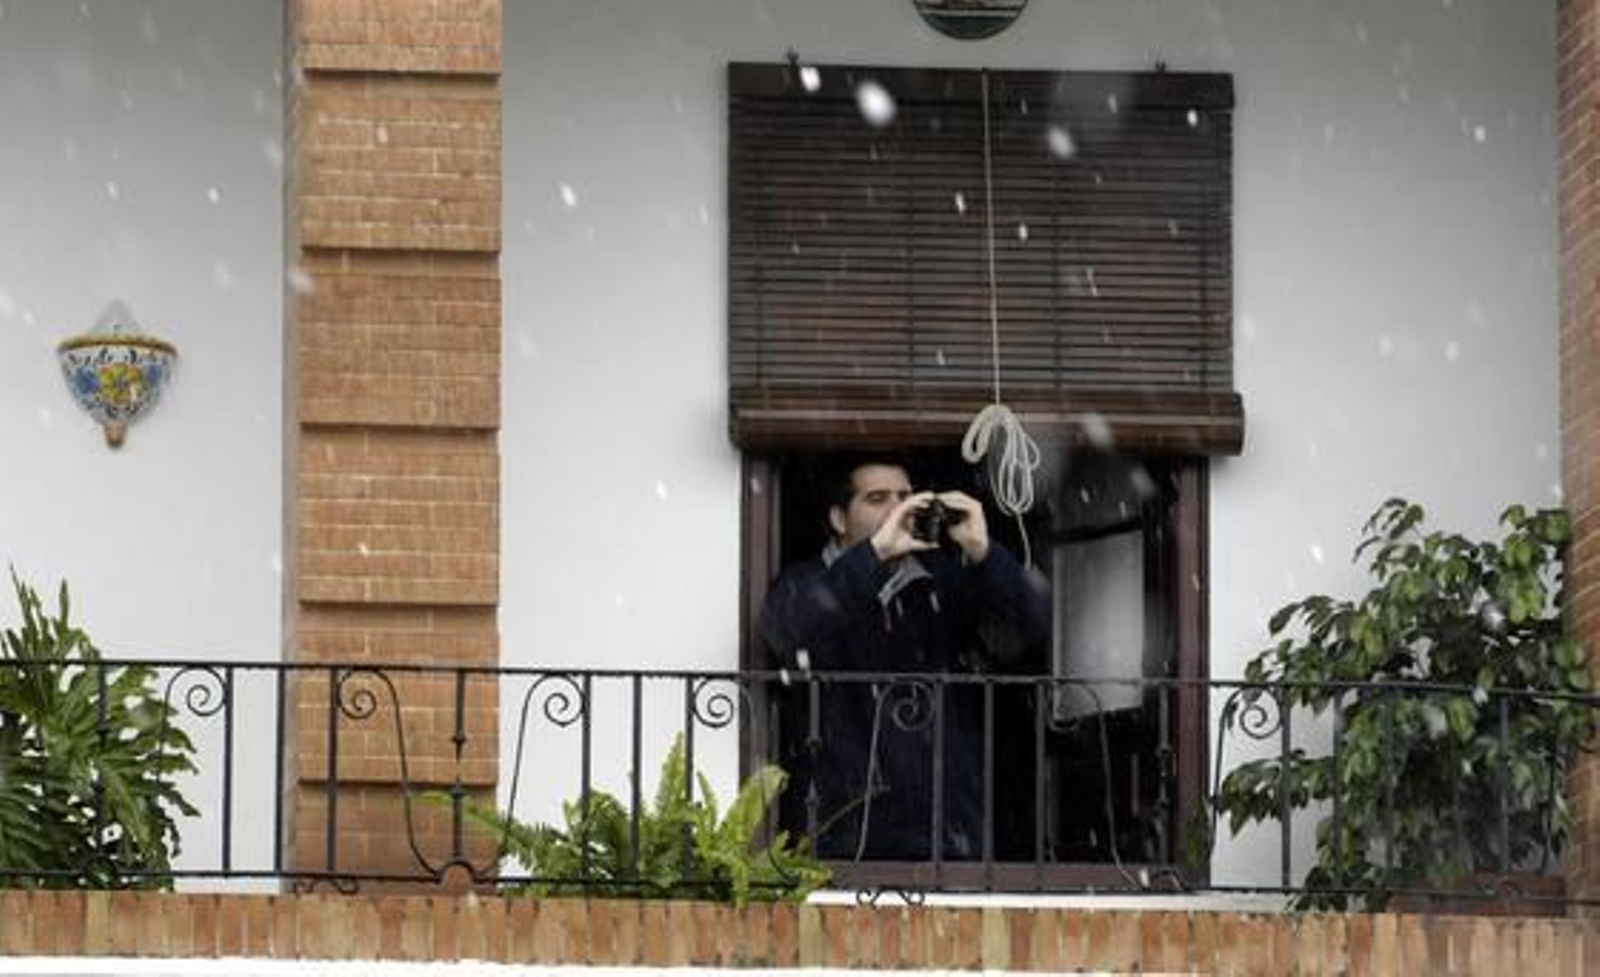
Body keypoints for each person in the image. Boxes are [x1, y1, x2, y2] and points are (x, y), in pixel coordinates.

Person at [760, 456, 1051, 861]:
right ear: (838, 519)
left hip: (945, 833)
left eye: (906, 498)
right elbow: (788, 633)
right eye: (878, 499)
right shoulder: (805, 581)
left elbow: (1031, 632)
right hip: (839, 833)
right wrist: (874, 555)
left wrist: (984, 550)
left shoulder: (946, 582)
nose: (898, 510)